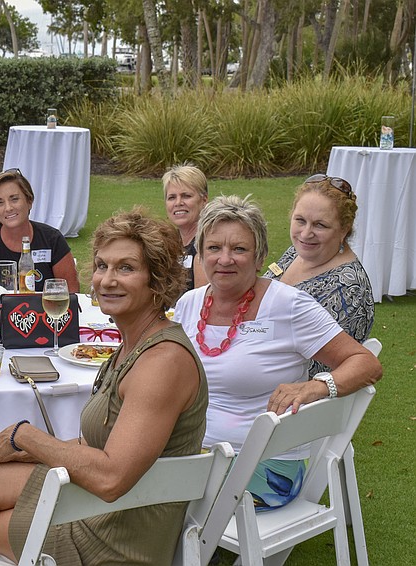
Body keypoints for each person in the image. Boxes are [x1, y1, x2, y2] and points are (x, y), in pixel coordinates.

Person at [0, 208, 207, 565]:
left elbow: (110, 477)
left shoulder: (162, 363)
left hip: (117, 537)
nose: (107, 280)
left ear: (158, 280)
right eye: (103, 266)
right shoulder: (134, 344)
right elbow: (103, 442)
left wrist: (26, 437)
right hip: (105, 506)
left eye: (126, 268)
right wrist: (23, 450)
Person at [173, 195, 382, 510]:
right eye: (214, 248)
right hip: (195, 452)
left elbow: (366, 363)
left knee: (146, 486)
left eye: (239, 249)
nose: (225, 259)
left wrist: (315, 386)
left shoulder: (289, 306)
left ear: (259, 258)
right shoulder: (189, 304)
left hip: (265, 466)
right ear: (200, 253)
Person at [263, 174, 374, 376]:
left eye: (320, 225)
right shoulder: (296, 253)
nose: (305, 234)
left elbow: (316, 367)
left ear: (344, 230)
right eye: (300, 220)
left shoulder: (349, 290)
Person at [0, 169, 79, 292]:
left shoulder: (52, 239)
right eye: (0, 203)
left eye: (14, 199)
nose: (8, 208)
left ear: (29, 201)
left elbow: (71, 294)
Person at [162, 163, 208, 290]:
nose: (178, 203)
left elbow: (202, 303)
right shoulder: (166, 243)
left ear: (204, 200)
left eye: (186, 196)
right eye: (171, 197)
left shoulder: (208, 245)